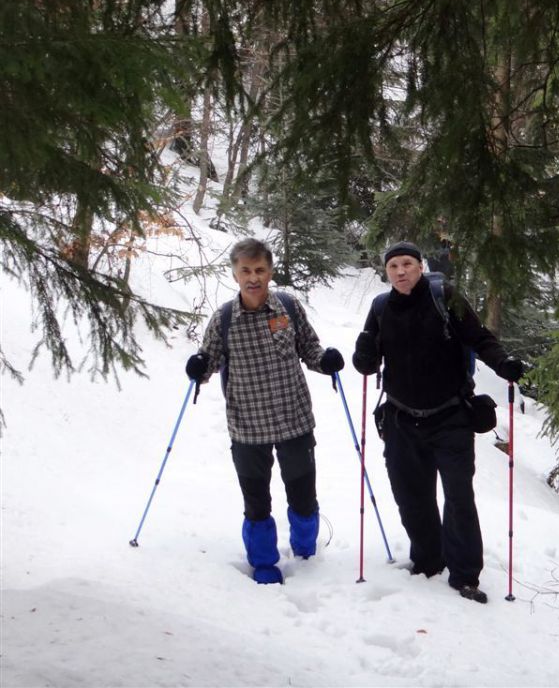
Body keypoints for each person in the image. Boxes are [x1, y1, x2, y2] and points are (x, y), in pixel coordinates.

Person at [351, 241, 524, 604]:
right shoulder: (381, 308)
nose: (400, 271)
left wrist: (503, 363)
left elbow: (479, 338)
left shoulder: (444, 296)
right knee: (411, 496)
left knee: (459, 496)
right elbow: (367, 363)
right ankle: (428, 560)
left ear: (420, 266)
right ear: (387, 272)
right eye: (393, 266)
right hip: (400, 418)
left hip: (451, 416)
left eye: (407, 264)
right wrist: (362, 354)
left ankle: (465, 576)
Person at [184, 238, 344, 585]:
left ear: (270, 272)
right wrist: (198, 366)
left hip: (294, 420)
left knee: (303, 495)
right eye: (245, 271)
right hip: (247, 427)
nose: (253, 278)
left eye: (259, 270)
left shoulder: (288, 308)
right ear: (235, 274)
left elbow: (310, 349)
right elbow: (208, 361)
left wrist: (326, 361)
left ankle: (305, 550)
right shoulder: (224, 319)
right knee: (256, 501)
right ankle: (264, 562)